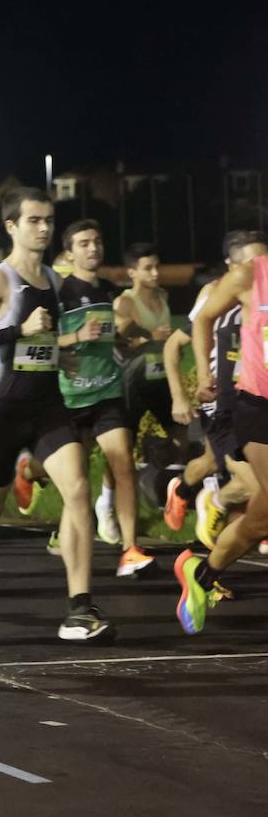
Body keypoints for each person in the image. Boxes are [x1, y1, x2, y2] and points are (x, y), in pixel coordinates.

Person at [0, 187, 114, 642]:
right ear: (11, 226)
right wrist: (19, 329)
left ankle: (80, 609)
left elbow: (42, 343)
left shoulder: (53, 278)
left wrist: (58, 354)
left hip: (47, 405)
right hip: (2, 409)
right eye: (34, 220)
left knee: (78, 488)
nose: (44, 228)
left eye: (48, 220)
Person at [17, 220, 154, 577]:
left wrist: (127, 340)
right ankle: (29, 471)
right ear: (70, 252)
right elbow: (37, 344)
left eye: (97, 241)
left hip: (107, 392)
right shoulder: (58, 294)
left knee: (122, 462)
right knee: (70, 477)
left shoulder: (109, 290)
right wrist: (75, 336)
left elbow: (107, 336)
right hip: (68, 398)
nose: (93, 248)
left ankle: (130, 549)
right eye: (83, 243)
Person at [177, 232, 268, 632]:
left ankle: (202, 572)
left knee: (262, 519)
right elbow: (203, 319)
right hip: (256, 407)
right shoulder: (250, 277)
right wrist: (204, 370)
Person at [165, 232, 263, 550]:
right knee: (252, 483)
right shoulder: (215, 292)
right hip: (222, 400)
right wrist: (188, 388)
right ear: (231, 265)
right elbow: (176, 342)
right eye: (251, 262)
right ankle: (215, 505)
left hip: (254, 398)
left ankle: (181, 490)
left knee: (210, 462)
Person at [115, 243, 183, 458]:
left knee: (181, 434)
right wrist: (149, 335)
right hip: (134, 382)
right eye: (148, 268)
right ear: (132, 272)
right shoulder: (125, 302)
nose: (155, 273)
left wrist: (172, 344)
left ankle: (159, 464)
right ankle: (107, 493)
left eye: (157, 266)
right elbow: (118, 339)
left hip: (161, 376)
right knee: (126, 445)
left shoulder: (163, 295)